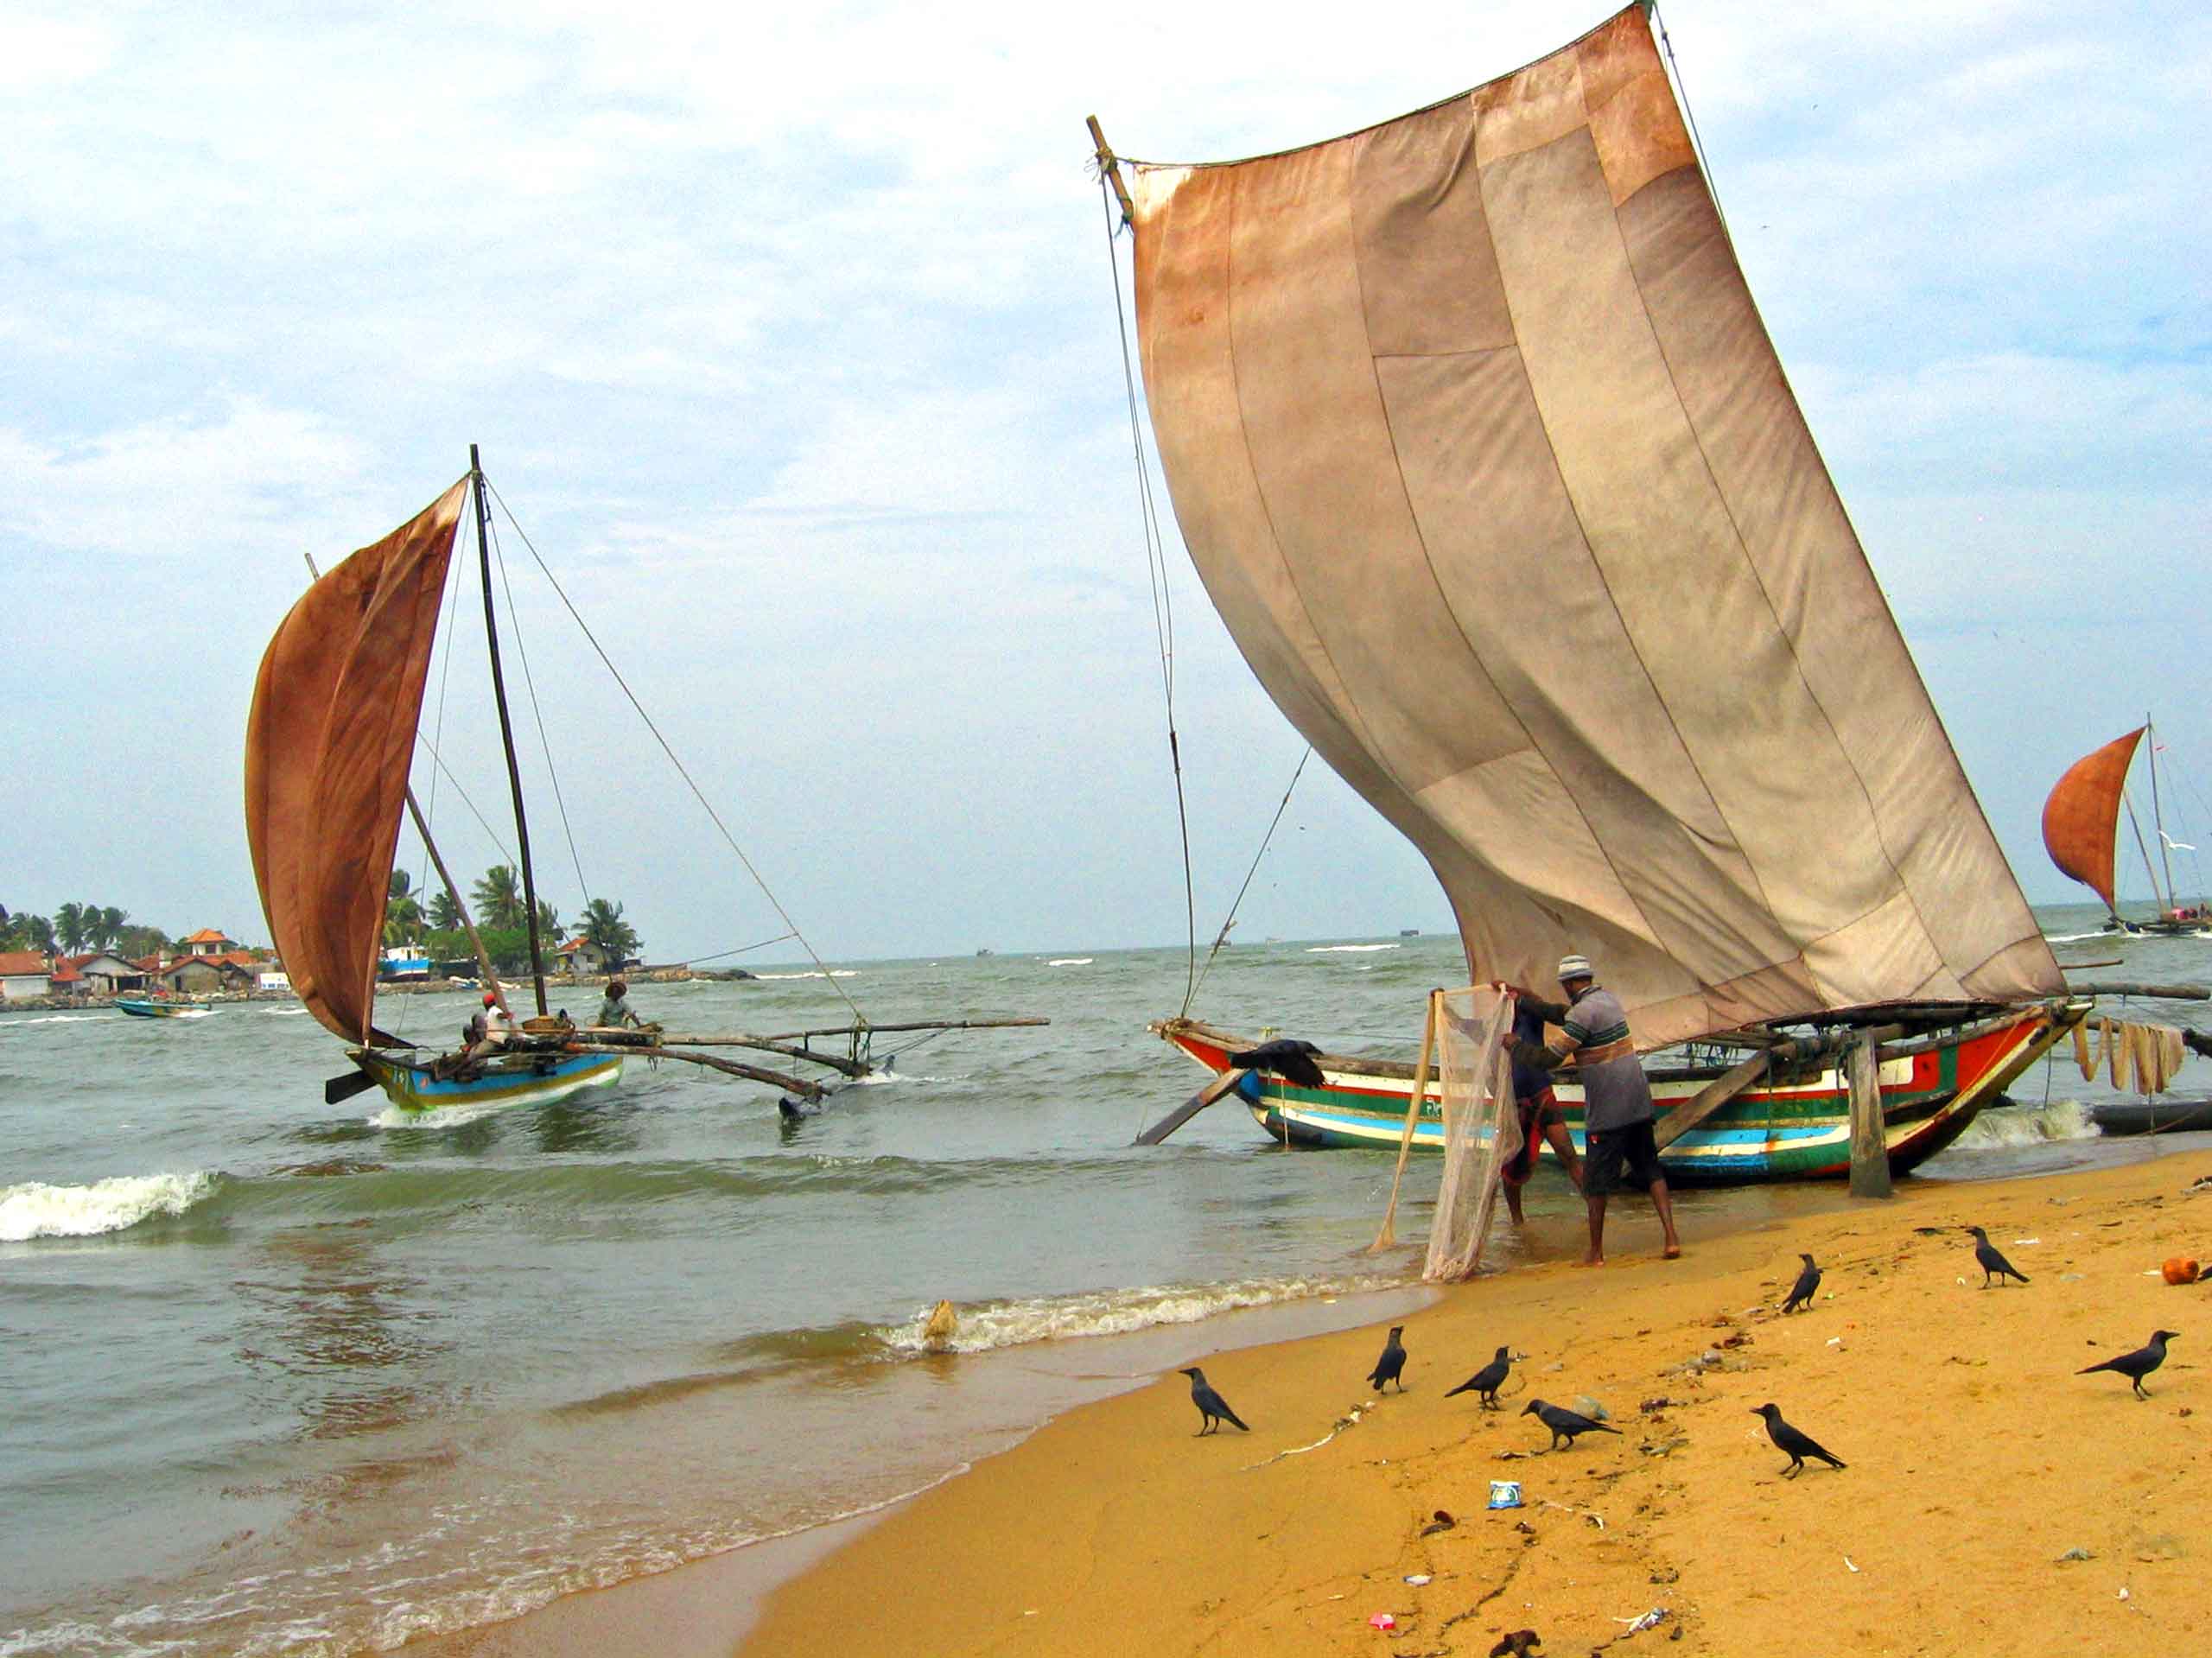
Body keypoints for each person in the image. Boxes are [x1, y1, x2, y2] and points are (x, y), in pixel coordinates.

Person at [1501, 954, 1681, 1265]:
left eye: (1564, 985)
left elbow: (1548, 1059)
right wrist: (1522, 1000)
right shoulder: (1608, 1001)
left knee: (1596, 1184)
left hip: (1608, 1109)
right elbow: (1559, 1013)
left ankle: (1595, 1253)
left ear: (1569, 984)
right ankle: (1671, 1238)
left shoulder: (1582, 1015)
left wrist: (1515, 1045)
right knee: (1650, 1168)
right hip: (1639, 1101)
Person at [1498, 1001, 1584, 1223]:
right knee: (1511, 1167)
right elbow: (1465, 1027)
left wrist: (1520, 996)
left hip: (1542, 1097)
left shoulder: (1530, 1014)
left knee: (1568, 1155)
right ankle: (1517, 1222)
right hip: (1516, 1105)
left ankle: (1595, 1210)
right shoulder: (1494, 1026)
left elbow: (1556, 1013)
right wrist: (1445, 1008)